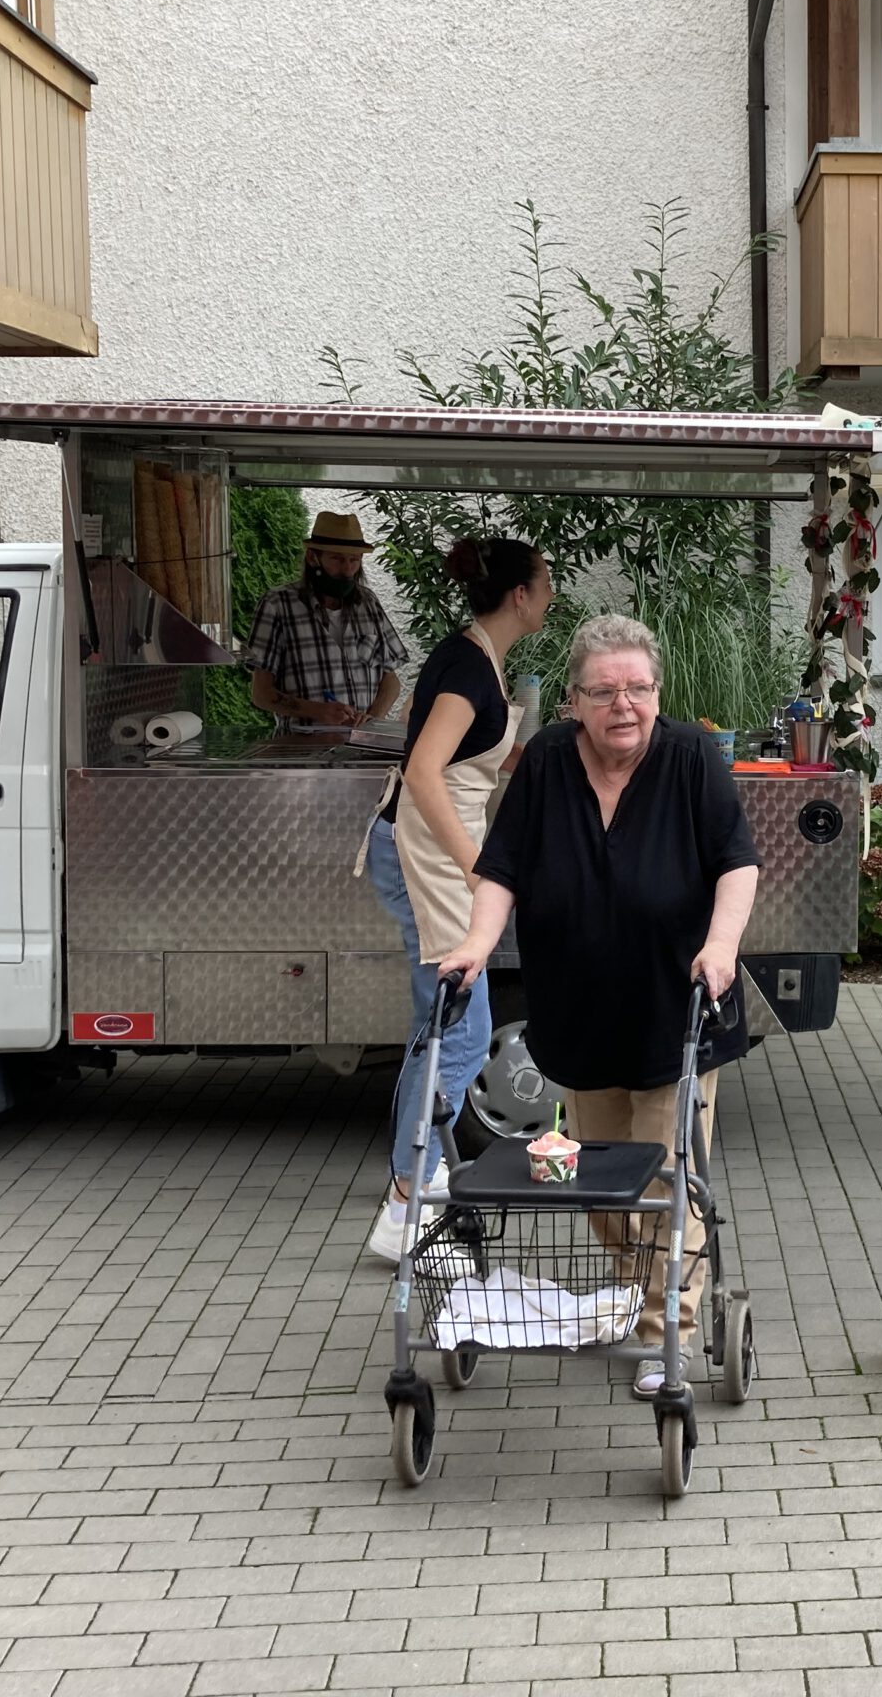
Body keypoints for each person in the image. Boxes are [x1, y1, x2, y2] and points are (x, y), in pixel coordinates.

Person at [440, 614, 759, 1397]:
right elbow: (502, 867)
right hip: (578, 1016)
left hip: (673, 1011)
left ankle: (666, 1335)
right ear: (574, 702)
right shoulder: (547, 763)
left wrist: (720, 947)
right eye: (605, 691)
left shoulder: (692, 759)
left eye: (639, 688)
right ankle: (634, 1293)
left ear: (658, 692)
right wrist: (478, 945)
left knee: (664, 1183)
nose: (625, 705)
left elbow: (737, 864)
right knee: (597, 1191)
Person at [359, 537, 554, 1262]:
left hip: (433, 851)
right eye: (546, 582)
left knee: (434, 1026)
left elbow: (454, 751)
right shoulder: (467, 667)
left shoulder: (472, 657)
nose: (552, 592)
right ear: (520, 596)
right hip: (429, 857)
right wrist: (477, 866)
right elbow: (422, 772)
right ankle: (409, 1206)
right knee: (463, 1029)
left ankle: (411, 1191)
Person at [243, 512, 409, 731]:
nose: (348, 569)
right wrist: (318, 711)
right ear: (313, 558)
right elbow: (261, 694)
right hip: (303, 749)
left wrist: (371, 719)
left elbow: (391, 681)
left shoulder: (368, 603)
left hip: (361, 747)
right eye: (337, 559)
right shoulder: (277, 604)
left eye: (354, 560)